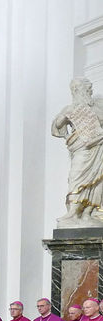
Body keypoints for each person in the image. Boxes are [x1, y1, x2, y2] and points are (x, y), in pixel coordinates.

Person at [51, 77, 103, 226]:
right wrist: (65, 121)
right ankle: (73, 212)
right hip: (80, 150)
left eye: (90, 90)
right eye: (87, 90)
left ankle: (88, 213)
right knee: (76, 177)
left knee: (97, 182)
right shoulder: (70, 109)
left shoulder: (97, 108)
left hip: (98, 149)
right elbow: (56, 128)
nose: (90, 92)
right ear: (76, 91)